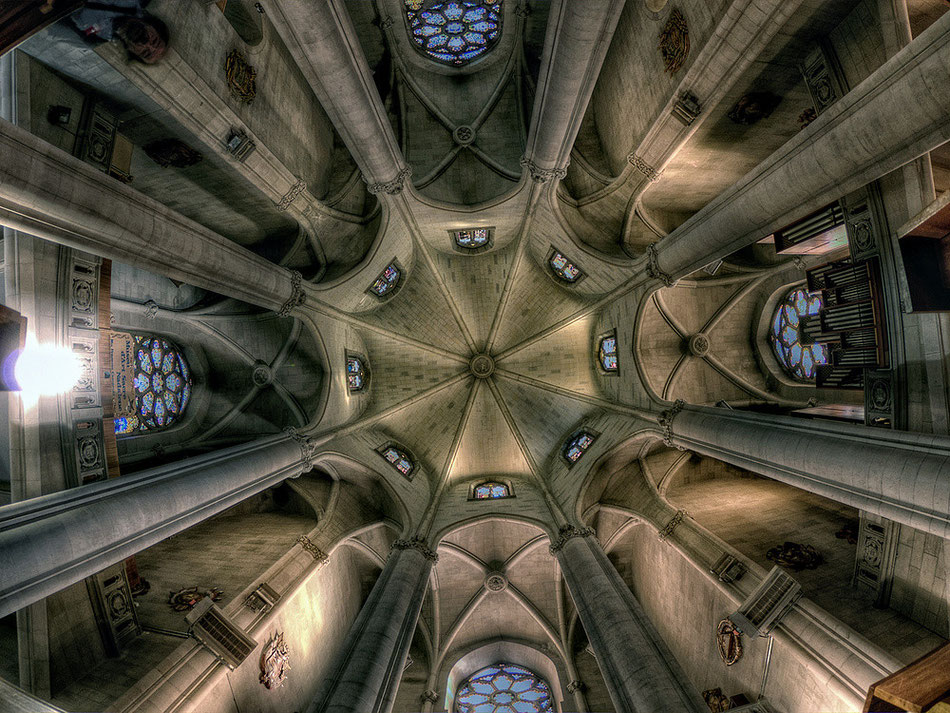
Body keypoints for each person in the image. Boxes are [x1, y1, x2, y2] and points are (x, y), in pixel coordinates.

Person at [69, 0, 168, 63]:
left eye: (145, 52)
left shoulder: (92, 32)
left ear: (131, 50)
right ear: (153, 26)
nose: (146, 43)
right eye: (154, 40)